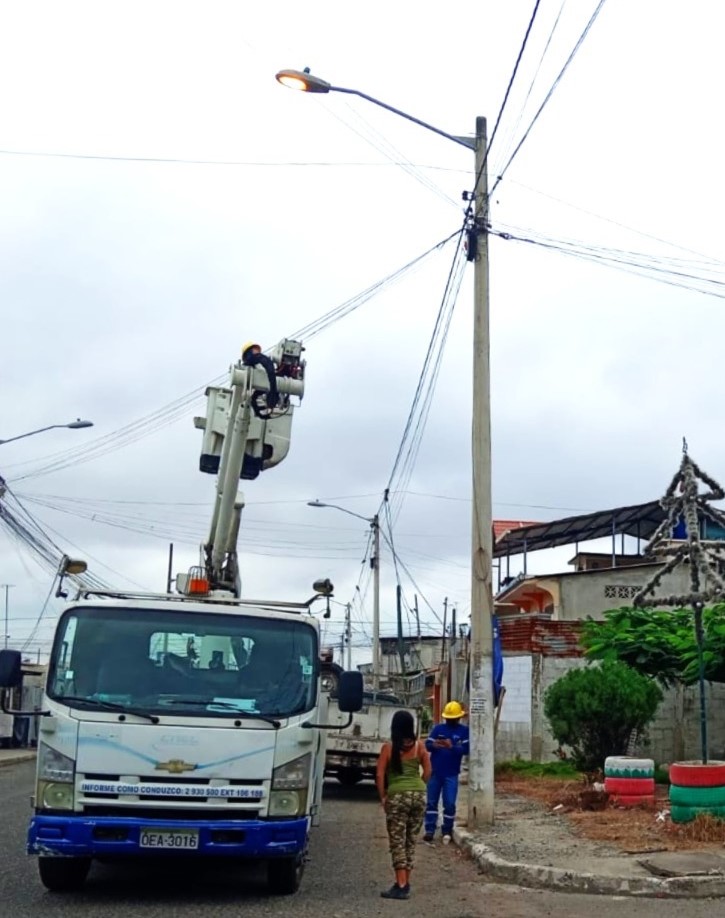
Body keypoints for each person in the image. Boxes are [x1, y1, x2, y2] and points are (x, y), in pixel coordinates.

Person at [375, 710, 431, 900]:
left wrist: (384, 797)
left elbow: (380, 775)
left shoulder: (388, 748)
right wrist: (419, 786)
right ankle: (405, 882)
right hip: (419, 795)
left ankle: (401, 885)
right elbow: (429, 771)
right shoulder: (419, 747)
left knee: (397, 841)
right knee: (410, 840)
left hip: (397, 797)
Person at [423, 700, 470, 844]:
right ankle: (429, 830)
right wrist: (435, 745)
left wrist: (452, 747)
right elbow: (427, 745)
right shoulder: (438, 729)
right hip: (435, 772)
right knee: (432, 802)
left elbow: (466, 750)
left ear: (459, 718)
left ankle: (447, 830)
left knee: (449, 803)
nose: (450, 721)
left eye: (453, 718)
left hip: (451, 773)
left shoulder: (463, 731)